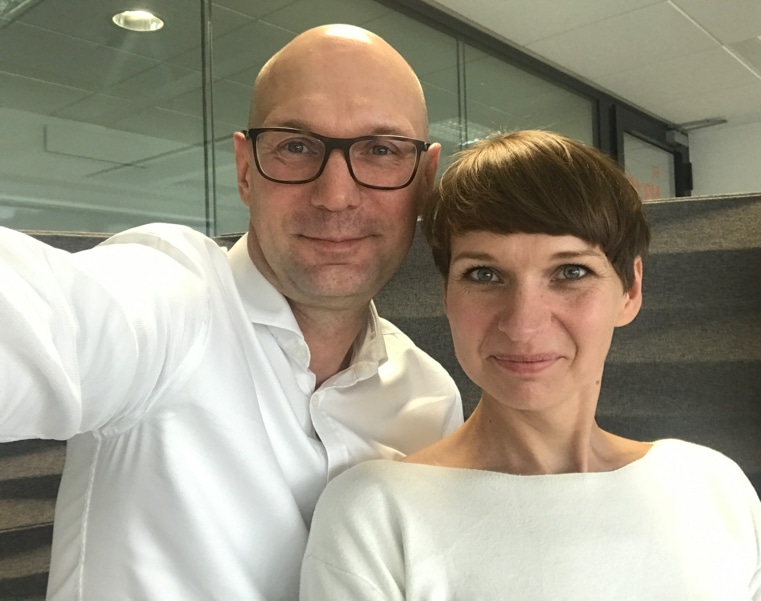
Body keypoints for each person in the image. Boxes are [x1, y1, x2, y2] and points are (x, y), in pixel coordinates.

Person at [0, 24, 463, 601]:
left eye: (381, 150)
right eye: (296, 146)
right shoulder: (174, 299)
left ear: (424, 181)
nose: (336, 196)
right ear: (246, 169)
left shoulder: (431, 402)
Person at [300, 130, 761, 600]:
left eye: (570, 272)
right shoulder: (377, 513)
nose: (523, 324)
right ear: (447, 295)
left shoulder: (712, 488)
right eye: (484, 274)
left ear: (630, 289)